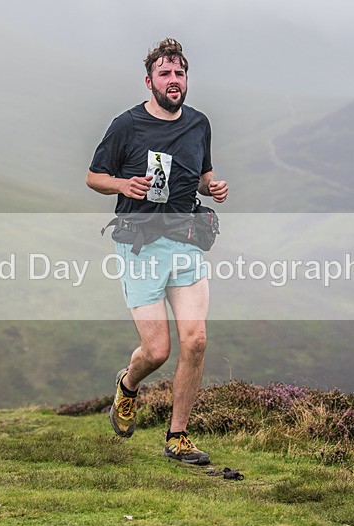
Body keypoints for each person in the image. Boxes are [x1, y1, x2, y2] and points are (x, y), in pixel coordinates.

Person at [86, 38, 228, 464]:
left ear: (186, 80)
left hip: (186, 240)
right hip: (139, 243)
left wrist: (213, 186)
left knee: (196, 340)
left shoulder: (199, 124)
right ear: (149, 81)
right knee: (157, 351)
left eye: (179, 74)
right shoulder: (126, 125)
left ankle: (177, 437)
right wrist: (122, 185)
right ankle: (129, 384)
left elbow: (200, 175)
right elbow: (94, 176)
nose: (173, 80)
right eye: (164, 74)